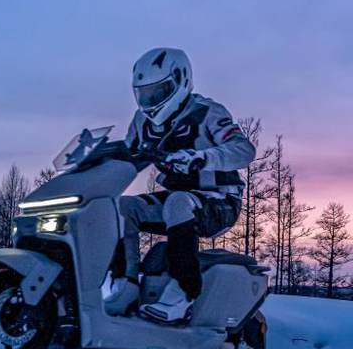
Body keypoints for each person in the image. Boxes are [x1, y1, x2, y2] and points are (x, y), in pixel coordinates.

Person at [104, 47, 255, 323]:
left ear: (180, 80)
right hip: (179, 202)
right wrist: (97, 160)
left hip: (219, 201)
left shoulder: (208, 113)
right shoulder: (141, 122)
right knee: (122, 207)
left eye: (158, 92)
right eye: (145, 94)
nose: (151, 101)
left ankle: (184, 291)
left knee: (178, 202)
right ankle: (125, 284)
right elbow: (128, 156)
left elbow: (244, 150)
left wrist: (202, 158)